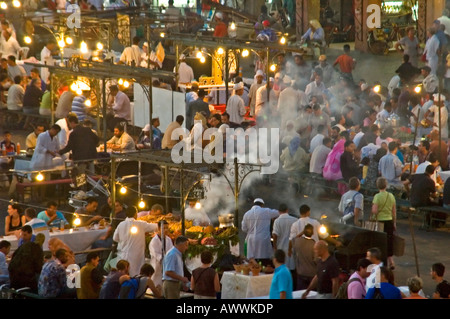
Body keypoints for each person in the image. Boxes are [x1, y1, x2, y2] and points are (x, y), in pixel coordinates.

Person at [113, 205, 158, 277]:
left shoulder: (121, 224)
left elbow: (115, 238)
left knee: (124, 275)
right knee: (136, 275)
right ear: (135, 214)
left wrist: (124, 241)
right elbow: (155, 226)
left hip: (123, 255)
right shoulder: (140, 224)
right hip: (136, 257)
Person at [241, 198, 280, 265]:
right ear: (262, 205)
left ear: (254, 204)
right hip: (263, 239)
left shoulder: (246, 214)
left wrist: (251, 230)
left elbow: (244, 229)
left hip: (251, 239)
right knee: (264, 259)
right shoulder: (266, 211)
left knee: (252, 259)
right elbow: (278, 213)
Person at [371, 177, 397, 270]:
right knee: (389, 243)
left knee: (380, 243)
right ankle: (391, 262)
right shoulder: (391, 196)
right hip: (389, 221)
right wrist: (394, 223)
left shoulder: (377, 197)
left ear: (377, 186)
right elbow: (394, 211)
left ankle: (382, 264)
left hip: (380, 222)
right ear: (386, 185)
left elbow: (374, 210)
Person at [272, 204, 297, 274]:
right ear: (287, 210)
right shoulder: (295, 220)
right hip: (291, 249)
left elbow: (275, 235)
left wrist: (275, 247)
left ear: (279, 211)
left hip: (280, 249)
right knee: (291, 269)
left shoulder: (277, 221)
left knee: (281, 269)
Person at [149, 220, 174, 287]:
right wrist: (164, 259)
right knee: (156, 283)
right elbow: (156, 254)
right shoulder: (154, 241)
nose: (166, 230)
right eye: (164, 228)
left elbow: (171, 251)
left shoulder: (168, 239)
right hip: (157, 265)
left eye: (167, 228)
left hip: (167, 265)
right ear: (159, 229)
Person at [291, 223, 316, 290]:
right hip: (312, 274)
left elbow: (293, 239)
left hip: (300, 273)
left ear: (304, 232)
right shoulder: (314, 244)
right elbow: (316, 260)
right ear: (313, 233)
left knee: (300, 294)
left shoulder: (297, 241)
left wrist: (301, 233)